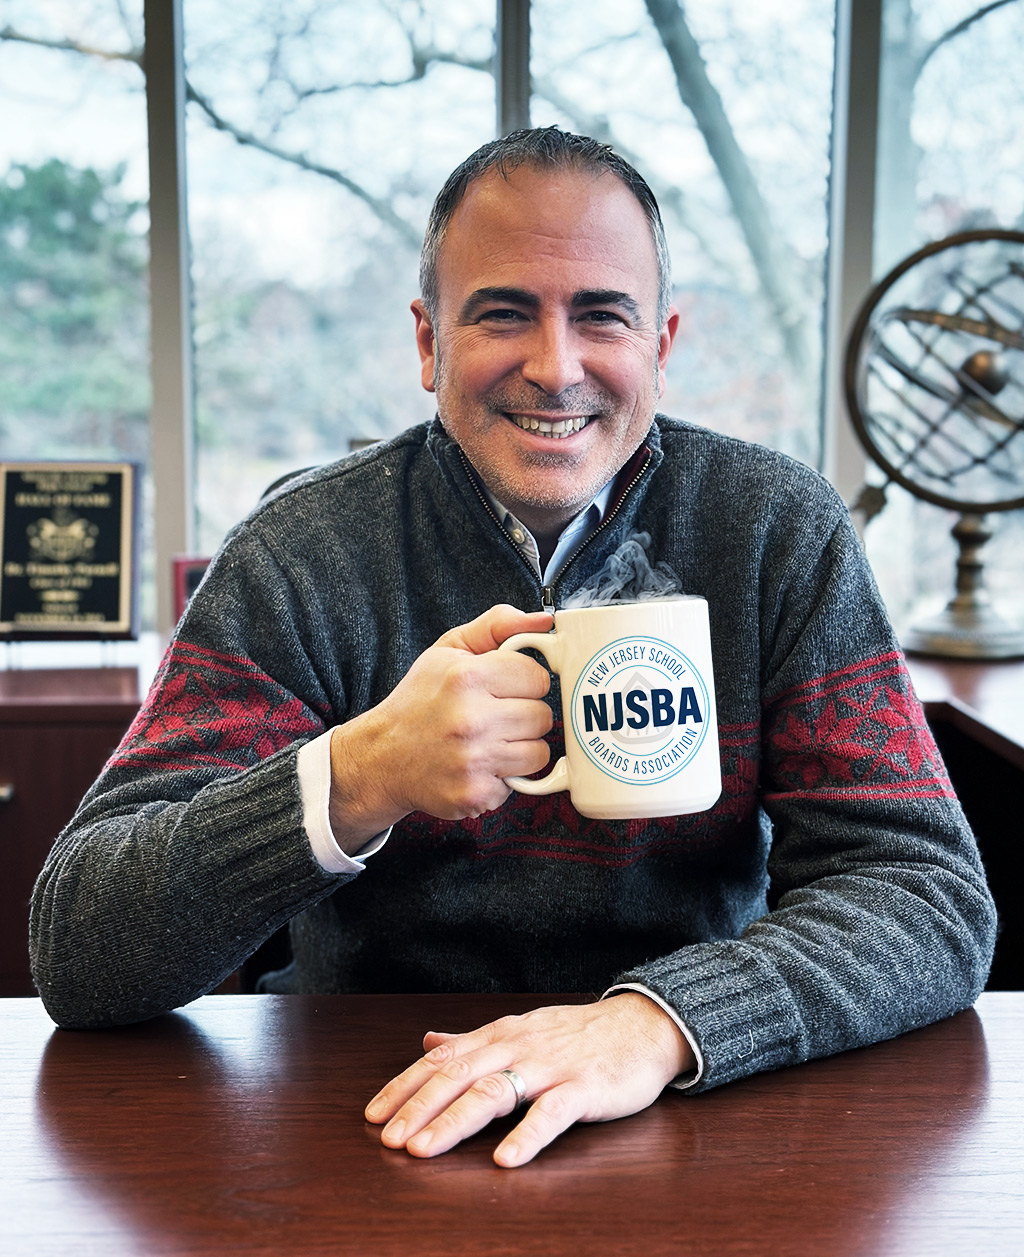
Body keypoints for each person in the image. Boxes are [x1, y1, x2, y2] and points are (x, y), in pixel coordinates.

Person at [30, 128, 995, 1169]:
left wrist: (655, 1024)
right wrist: (358, 774)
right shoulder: (300, 554)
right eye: (501, 313)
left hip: (701, 1104)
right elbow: (82, 952)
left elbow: (923, 891)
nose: (554, 366)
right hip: (368, 1114)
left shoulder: (775, 531)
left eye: (601, 317)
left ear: (661, 346)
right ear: (426, 342)